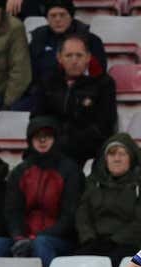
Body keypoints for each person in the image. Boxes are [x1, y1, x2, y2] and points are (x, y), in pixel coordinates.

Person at [0, 117, 82, 267]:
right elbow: (12, 211)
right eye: (36, 136)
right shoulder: (20, 172)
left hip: (60, 239)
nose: (42, 140)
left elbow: (70, 215)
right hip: (23, 238)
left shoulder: (70, 170)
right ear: (30, 140)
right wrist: (19, 237)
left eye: (47, 135)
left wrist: (34, 239)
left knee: (41, 243)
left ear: (55, 139)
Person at [75, 134, 141, 267]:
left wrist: (115, 240)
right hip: (94, 242)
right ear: (105, 158)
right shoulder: (93, 181)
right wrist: (89, 238)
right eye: (112, 154)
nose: (117, 159)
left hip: (130, 244)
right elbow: (82, 214)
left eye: (122, 154)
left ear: (131, 157)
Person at [33, 34, 117, 167]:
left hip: (88, 149)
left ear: (88, 57)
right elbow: (38, 119)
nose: (74, 61)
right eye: (69, 55)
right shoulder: (48, 82)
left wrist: (67, 141)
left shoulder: (104, 84)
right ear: (59, 58)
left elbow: (104, 125)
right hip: (52, 146)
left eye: (79, 55)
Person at [26, 0, 106, 91]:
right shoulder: (38, 38)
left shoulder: (91, 40)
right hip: (42, 94)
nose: (57, 19)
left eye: (62, 15)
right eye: (53, 16)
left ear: (71, 17)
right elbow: (29, 71)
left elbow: (99, 74)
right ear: (47, 19)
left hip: (79, 93)